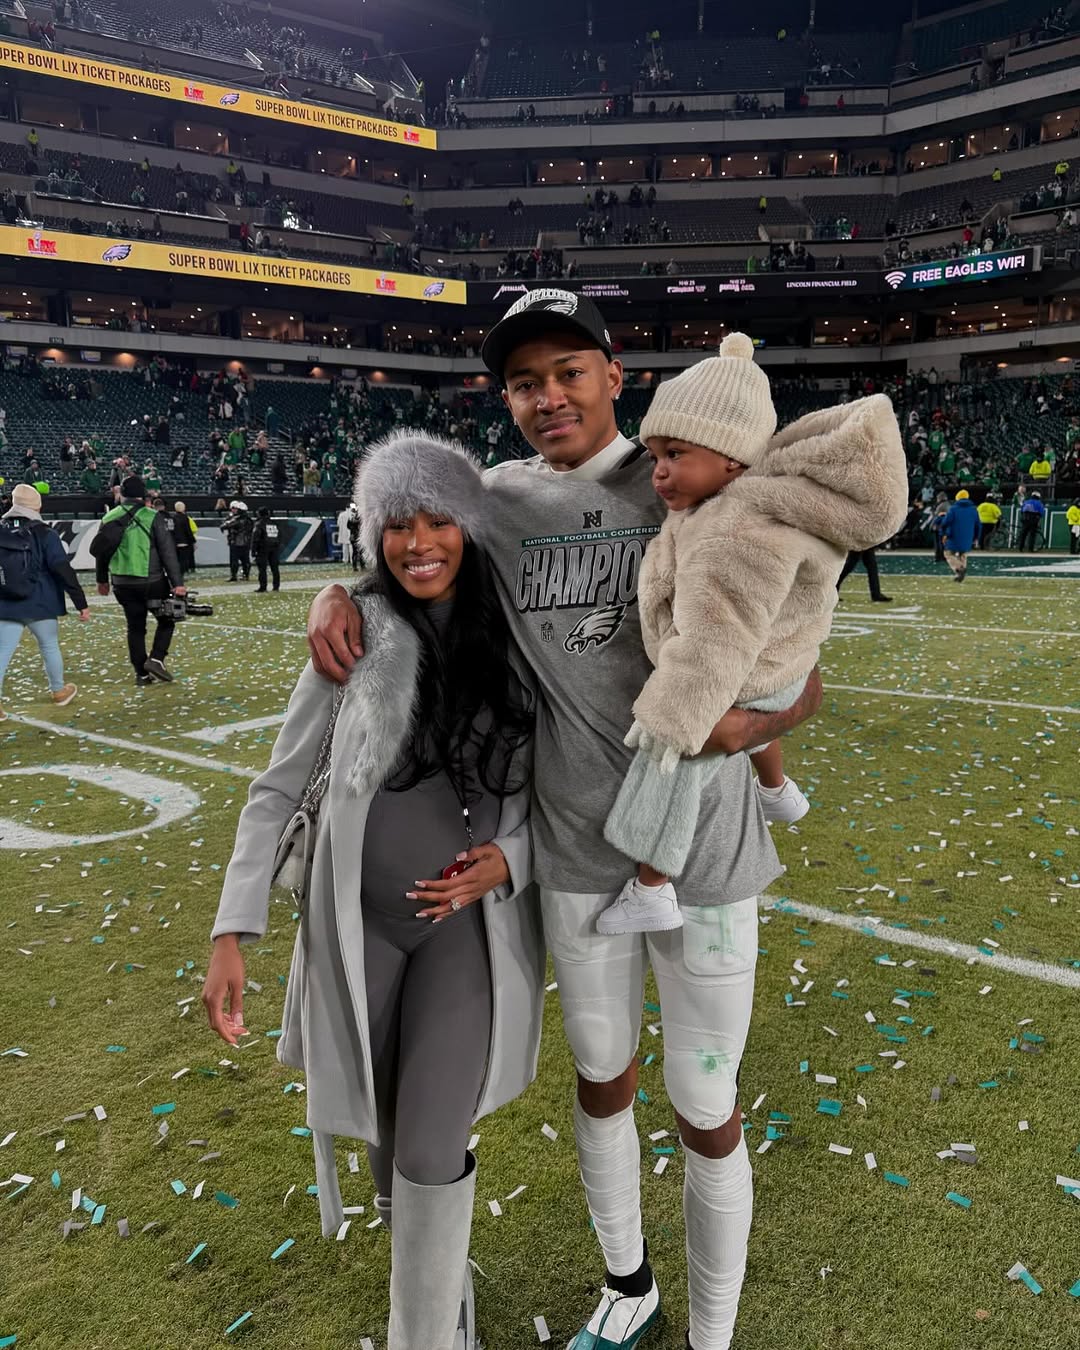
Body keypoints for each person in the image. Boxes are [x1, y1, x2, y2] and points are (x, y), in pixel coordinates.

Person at [303, 290, 825, 1350]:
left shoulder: (697, 470)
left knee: (703, 1099)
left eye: (567, 372)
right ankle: (627, 1285)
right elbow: (413, 555)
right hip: (579, 852)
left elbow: (803, 667)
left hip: (711, 852)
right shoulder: (493, 500)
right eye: (524, 382)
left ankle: (713, 1335)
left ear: (614, 372)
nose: (548, 398)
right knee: (601, 1078)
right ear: (505, 397)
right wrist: (336, 590)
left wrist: (756, 721)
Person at [204, 434, 542, 1350]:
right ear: (373, 532)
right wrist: (234, 928)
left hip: (460, 934)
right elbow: (280, 786)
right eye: (399, 523)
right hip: (357, 932)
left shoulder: (517, 637)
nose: (419, 541)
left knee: (433, 1148)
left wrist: (514, 857)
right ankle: (443, 1319)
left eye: (439, 520)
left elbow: (565, 787)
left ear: (471, 530)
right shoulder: (352, 631)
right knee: (393, 1160)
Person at [598, 340, 908, 934]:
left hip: (753, 668)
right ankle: (777, 790)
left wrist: (673, 717)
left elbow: (718, 642)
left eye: (676, 454)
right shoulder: (745, 503)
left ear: (733, 459)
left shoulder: (729, 533)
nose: (658, 471)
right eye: (656, 453)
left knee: (671, 763)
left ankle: (652, 887)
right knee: (741, 714)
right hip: (786, 659)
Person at [0, 484, 88, 720]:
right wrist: (80, 602)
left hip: (6, 601)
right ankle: (59, 691)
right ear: (37, 505)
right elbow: (61, 568)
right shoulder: (45, 533)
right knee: (49, 646)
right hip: (41, 600)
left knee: (2, 652)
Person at [94, 475, 185, 685]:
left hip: (122, 582)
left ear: (122, 494)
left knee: (135, 627)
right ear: (143, 495)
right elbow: (167, 552)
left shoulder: (109, 518)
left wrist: (102, 580)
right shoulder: (153, 516)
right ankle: (156, 658)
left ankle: (141, 674)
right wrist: (177, 583)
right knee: (167, 619)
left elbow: (102, 551)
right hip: (152, 581)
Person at [941, 490, 979, 581]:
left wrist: (944, 533)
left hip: (953, 535)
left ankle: (959, 568)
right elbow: (978, 525)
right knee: (963, 554)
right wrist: (976, 537)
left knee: (948, 553)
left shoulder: (953, 509)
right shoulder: (973, 510)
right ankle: (960, 574)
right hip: (968, 536)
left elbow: (946, 522)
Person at [251, 506, 282, 592]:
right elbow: (279, 536)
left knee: (262, 569)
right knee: (275, 568)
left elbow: (255, 538)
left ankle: (263, 587)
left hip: (263, 548)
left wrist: (253, 550)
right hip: (274, 547)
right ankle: (276, 586)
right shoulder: (274, 523)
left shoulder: (259, 524)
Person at [223, 501, 253, 581]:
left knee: (234, 560)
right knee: (245, 560)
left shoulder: (236, 519)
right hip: (246, 542)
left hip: (236, 542)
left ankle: (234, 576)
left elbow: (224, 525)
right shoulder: (249, 520)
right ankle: (245, 575)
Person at [169, 500, 198, 575]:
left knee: (177, 560)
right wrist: (193, 541)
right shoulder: (185, 518)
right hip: (185, 542)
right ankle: (182, 574)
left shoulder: (172, 518)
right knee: (184, 560)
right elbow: (188, 531)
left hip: (175, 543)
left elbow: (171, 531)